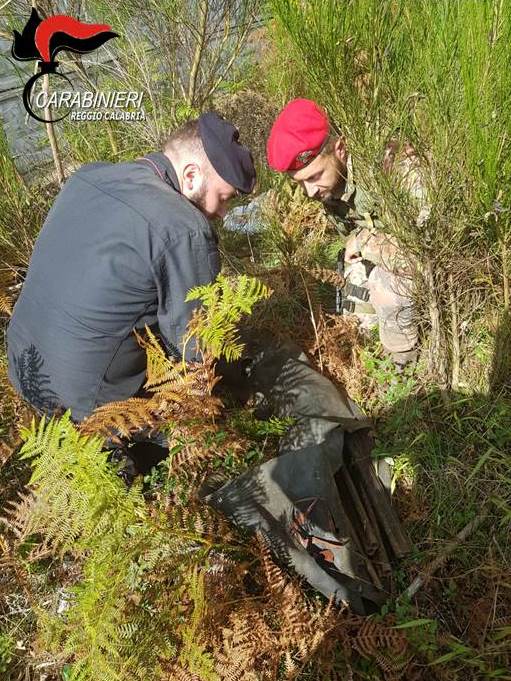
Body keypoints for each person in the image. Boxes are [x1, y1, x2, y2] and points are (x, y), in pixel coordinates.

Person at [6, 112, 256, 423]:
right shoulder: (183, 227)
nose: (222, 213)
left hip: (23, 370)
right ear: (191, 176)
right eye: (224, 198)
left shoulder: (88, 177)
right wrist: (242, 389)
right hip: (97, 413)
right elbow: (196, 347)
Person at [266, 98, 422, 370]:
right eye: (301, 183)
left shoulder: (390, 163)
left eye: (314, 177)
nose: (310, 192)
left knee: (389, 287)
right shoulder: (332, 183)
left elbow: (424, 233)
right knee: (354, 285)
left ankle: (405, 366)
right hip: (386, 251)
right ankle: (367, 361)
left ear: (340, 148)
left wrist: (363, 241)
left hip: (426, 259)